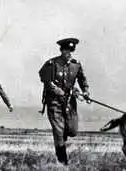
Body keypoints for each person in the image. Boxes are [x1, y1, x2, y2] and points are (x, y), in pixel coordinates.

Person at [39, 37, 91, 165]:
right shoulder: (52, 64)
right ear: (61, 50)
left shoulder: (76, 64)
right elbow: (46, 80)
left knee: (73, 130)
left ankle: (62, 138)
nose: (68, 54)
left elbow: (82, 80)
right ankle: (62, 161)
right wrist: (58, 91)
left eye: (70, 51)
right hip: (54, 102)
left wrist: (85, 92)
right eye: (66, 51)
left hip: (69, 103)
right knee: (58, 131)